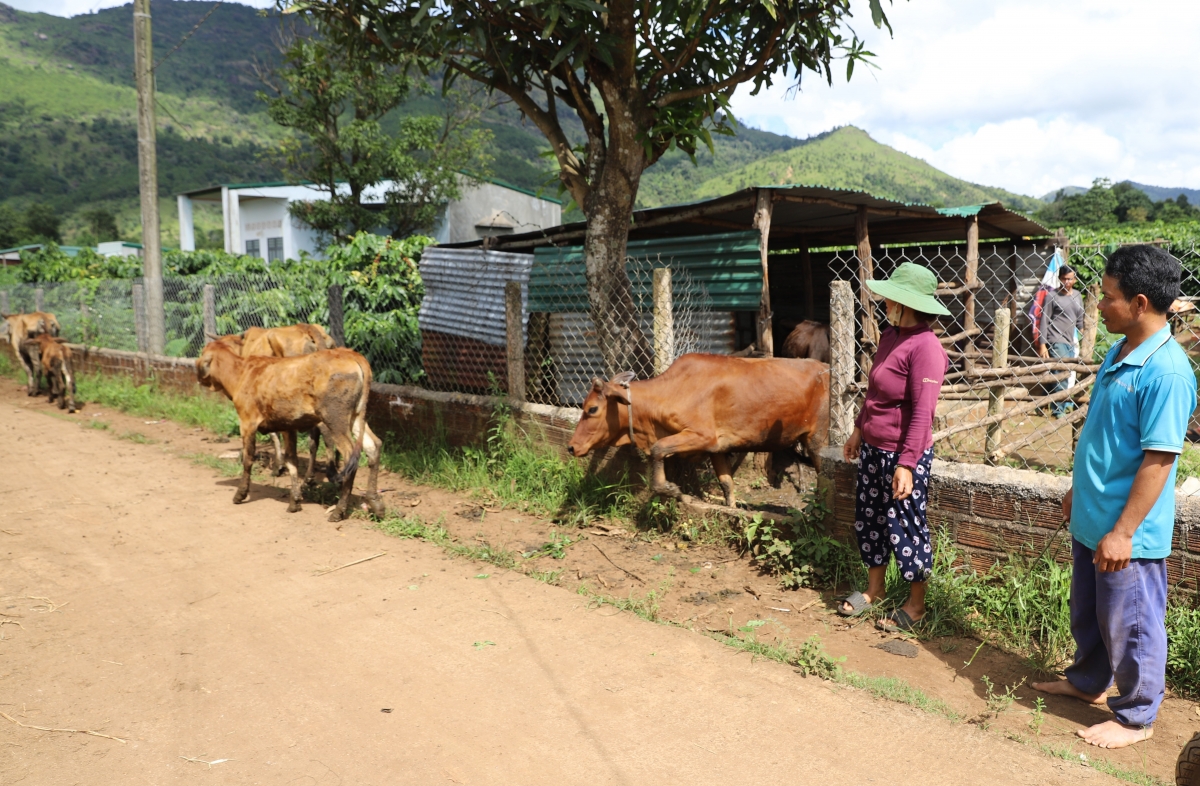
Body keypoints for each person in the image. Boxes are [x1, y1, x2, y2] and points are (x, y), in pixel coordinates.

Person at [1033, 245, 1196, 749]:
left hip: (1129, 532)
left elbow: (1159, 460)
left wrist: (1123, 532)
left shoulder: (1166, 372)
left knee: (1133, 624)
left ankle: (1136, 717)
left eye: (1106, 298)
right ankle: (1087, 683)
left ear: (1140, 302)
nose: (1097, 306)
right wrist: (1077, 491)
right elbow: (1105, 435)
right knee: (1090, 613)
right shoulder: (1120, 349)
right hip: (1093, 516)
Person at [838, 262, 950, 632]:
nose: (884, 302)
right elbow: (874, 394)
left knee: (906, 525)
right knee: (869, 519)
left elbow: (923, 413)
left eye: (891, 299)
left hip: (904, 455)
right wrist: (858, 430)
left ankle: (916, 605)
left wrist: (906, 464)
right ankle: (875, 590)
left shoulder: (927, 348)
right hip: (873, 449)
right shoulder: (891, 335)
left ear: (908, 304)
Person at [1037, 265, 1085, 416]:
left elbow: (1080, 321)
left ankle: (1050, 404)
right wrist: (1043, 344)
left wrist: (1085, 339)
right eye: (1064, 279)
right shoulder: (1052, 296)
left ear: (1075, 279)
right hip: (1055, 339)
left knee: (1064, 374)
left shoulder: (1077, 296)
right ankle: (1059, 411)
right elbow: (1044, 320)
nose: (1067, 282)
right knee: (1062, 374)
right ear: (1059, 279)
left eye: (1070, 279)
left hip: (1070, 341)